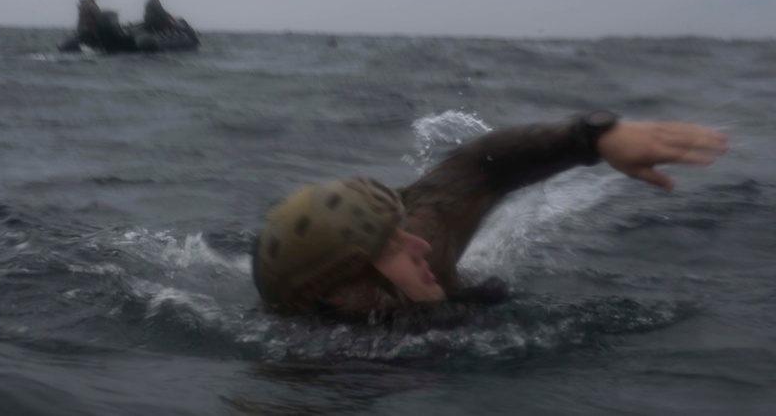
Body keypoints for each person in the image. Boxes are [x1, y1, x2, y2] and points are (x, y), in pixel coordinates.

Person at [252, 111, 728, 319]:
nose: (418, 244)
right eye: (391, 247)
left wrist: (594, 136)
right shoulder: (322, 366)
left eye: (402, 230)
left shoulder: (425, 255)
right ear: (348, 293)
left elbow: (478, 167)